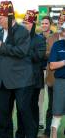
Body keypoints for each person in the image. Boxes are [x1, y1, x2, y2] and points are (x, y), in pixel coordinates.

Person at [0, 1, 36, 138]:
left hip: (21, 81)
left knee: (24, 112)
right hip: (3, 82)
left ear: (9, 17)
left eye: (0, 18)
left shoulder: (22, 31)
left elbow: (22, 51)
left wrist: (1, 45)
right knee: (3, 114)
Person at [16, 10, 46, 138]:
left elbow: (38, 57)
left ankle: (32, 134)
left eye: (27, 23)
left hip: (33, 80)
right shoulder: (18, 37)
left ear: (33, 24)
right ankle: (20, 133)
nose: (25, 25)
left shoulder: (39, 39)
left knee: (32, 107)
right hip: (19, 79)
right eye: (23, 23)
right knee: (20, 108)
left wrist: (24, 48)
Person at [42, 10, 65, 138]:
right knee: (53, 107)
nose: (62, 21)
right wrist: (53, 54)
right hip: (54, 78)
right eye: (60, 19)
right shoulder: (52, 39)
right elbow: (46, 56)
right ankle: (48, 131)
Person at [49, 22, 65, 138]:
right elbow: (52, 66)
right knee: (57, 111)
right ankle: (53, 135)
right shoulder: (57, 45)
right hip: (61, 82)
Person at [39, 15, 54, 130]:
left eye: (46, 23)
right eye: (42, 23)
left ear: (50, 24)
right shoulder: (37, 37)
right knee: (40, 99)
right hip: (40, 71)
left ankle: (52, 124)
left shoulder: (55, 37)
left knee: (52, 100)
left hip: (52, 71)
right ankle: (40, 122)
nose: (44, 25)